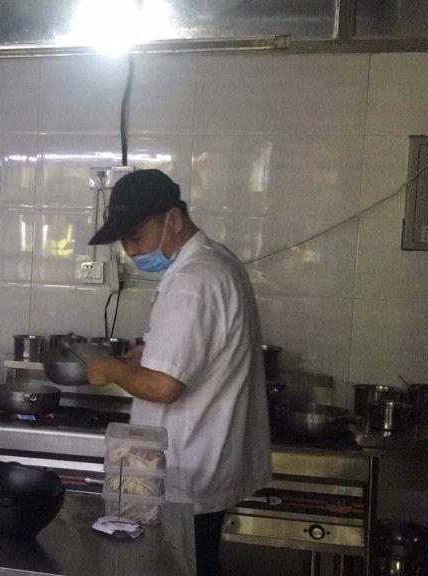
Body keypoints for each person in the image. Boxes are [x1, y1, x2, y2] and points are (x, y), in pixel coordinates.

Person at [84, 169, 271, 576]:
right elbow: (199, 349)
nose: (130, 251)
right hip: (205, 463)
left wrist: (108, 367)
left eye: (136, 238)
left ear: (173, 219)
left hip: (187, 470)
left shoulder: (193, 281)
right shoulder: (216, 261)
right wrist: (154, 352)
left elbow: (164, 386)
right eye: (124, 242)